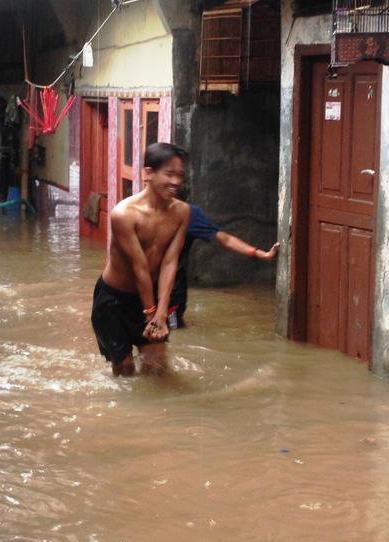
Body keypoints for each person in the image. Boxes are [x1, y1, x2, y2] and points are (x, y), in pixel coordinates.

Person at [91, 143, 191, 376]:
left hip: (150, 297)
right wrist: (151, 314)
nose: (176, 181)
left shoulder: (181, 212)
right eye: (169, 174)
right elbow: (140, 268)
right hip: (113, 301)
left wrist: (161, 314)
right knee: (125, 369)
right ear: (148, 173)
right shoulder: (124, 214)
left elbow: (170, 262)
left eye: (180, 175)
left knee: (157, 366)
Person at [169, 206, 278, 329]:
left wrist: (261, 254)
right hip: (157, 293)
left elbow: (227, 240)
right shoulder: (149, 213)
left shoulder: (189, 214)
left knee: (173, 328)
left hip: (173, 293)